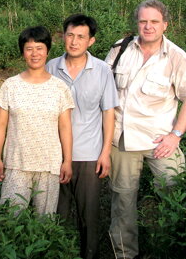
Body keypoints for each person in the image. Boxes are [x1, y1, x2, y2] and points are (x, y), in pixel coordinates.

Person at [104, 0, 186, 259]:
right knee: (123, 203)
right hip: (121, 140)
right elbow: (104, 90)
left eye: (154, 22)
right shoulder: (120, 49)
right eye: (143, 21)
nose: (148, 26)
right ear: (137, 23)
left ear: (165, 25)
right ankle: (125, 254)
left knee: (176, 193)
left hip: (160, 142)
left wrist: (175, 135)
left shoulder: (177, 57)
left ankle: (177, 249)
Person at [46, 14, 118, 259]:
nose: (74, 42)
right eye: (69, 35)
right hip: (54, 154)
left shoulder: (102, 70)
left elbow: (108, 113)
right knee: (57, 214)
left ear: (91, 41)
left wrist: (105, 153)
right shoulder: (50, 67)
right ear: (62, 36)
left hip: (88, 154)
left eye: (80, 37)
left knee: (89, 217)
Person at [0, 26, 74, 215]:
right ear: (22, 52)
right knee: (10, 219)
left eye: (39, 48)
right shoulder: (11, 85)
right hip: (16, 163)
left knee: (45, 221)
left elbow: (65, 126)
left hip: (49, 165)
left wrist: (67, 160)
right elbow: (0, 124)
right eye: (29, 49)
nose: (34, 54)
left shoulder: (60, 88)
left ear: (47, 51)